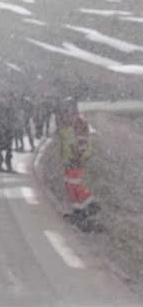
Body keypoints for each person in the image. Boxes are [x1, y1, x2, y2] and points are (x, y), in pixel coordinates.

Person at [58, 97, 98, 231]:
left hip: (75, 160)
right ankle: (78, 211)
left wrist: (77, 157)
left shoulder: (79, 122)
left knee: (75, 185)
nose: (65, 113)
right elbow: (66, 138)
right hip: (69, 160)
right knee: (70, 185)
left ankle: (90, 205)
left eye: (67, 109)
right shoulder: (69, 122)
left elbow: (82, 141)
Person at [0, 92, 17, 172]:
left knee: (7, 148)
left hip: (7, 130)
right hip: (1, 130)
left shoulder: (11, 108)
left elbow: (13, 118)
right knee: (0, 148)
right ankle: (1, 164)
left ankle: (7, 163)